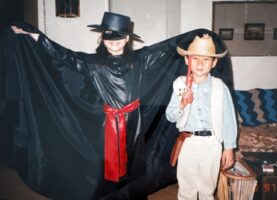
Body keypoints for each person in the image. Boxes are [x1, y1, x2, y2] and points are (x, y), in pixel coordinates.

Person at [3, 11, 233, 200]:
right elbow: (64, 56)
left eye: (120, 38)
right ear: (102, 38)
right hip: (109, 123)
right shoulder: (93, 64)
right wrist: (37, 37)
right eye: (109, 38)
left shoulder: (141, 60)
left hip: (134, 121)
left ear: (127, 39)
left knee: (135, 167)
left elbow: (166, 47)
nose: (115, 42)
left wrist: (195, 36)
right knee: (108, 169)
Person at [166, 33, 237, 200]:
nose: (199, 63)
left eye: (206, 59)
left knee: (207, 187)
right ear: (186, 60)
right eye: (195, 58)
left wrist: (229, 147)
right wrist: (181, 104)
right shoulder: (179, 85)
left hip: (211, 143)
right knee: (186, 187)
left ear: (214, 63)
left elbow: (228, 119)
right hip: (188, 142)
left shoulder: (220, 88)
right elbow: (170, 116)